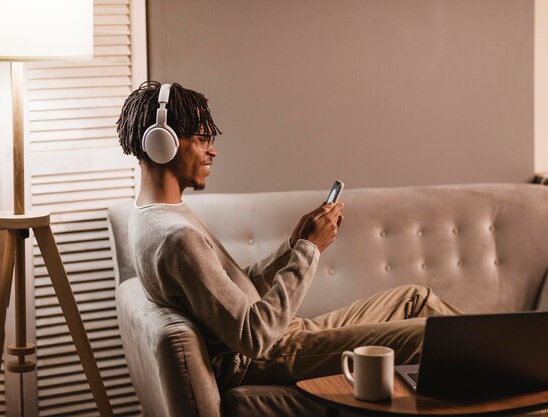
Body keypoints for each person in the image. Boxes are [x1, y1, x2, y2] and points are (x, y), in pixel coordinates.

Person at [117, 81, 460, 390]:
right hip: (266, 355)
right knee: (426, 337)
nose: (213, 150)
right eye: (203, 139)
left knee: (414, 298)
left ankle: (506, 358)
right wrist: (309, 251)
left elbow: (236, 291)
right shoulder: (176, 238)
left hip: (283, 336)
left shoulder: (153, 215)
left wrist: (293, 246)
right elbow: (253, 337)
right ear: (163, 144)